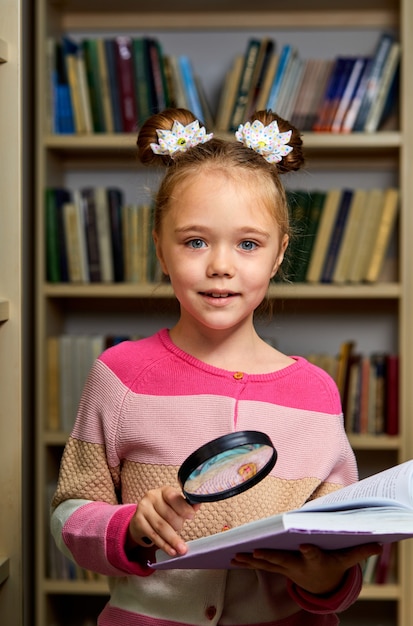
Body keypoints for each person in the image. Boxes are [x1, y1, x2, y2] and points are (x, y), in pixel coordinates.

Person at [51, 107, 382, 626]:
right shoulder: (120, 376)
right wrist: (130, 526)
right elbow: (69, 519)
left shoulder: (316, 392)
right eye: (195, 241)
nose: (220, 265)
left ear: (277, 256)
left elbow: (338, 544)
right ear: (160, 247)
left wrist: (329, 581)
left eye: (248, 244)